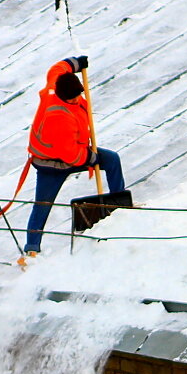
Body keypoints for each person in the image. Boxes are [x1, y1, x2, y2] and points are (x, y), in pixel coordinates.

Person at [22, 56, 126, 255]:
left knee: (112, 160)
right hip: (51, 164)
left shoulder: (58, 83)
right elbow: (69, 155)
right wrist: (90, 158)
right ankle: (32, 249)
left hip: (71, 151)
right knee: (42, 206)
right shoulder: (59, 116)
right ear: (63, 97)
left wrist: (75, 63)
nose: (77, 99)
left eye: (79, 95)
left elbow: (57, 68)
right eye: (73, 98)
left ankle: (118, 207)